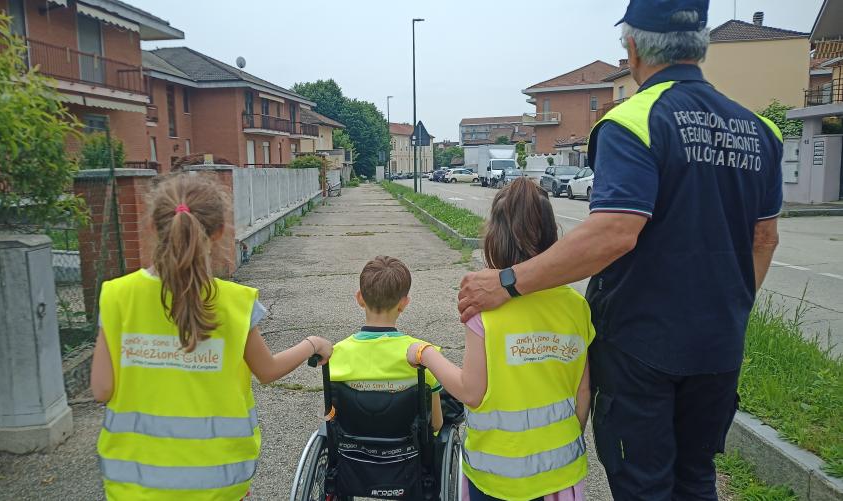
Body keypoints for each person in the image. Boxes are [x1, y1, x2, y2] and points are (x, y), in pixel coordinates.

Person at [457, 1, 783, 499]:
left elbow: (614, 232)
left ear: (633, 48)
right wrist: (728, 310)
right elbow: (764, 239)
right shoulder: (761, 130)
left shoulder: (632, 122)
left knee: (643, 484)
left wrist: (508, 281)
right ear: (700, 46)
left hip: (641, 348)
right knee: (695, 477)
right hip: (719, 346)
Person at [90, 174, 333, 500]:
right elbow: (267, 370)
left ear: (153, 227)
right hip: (219, 481)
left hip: (133, 483)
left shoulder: (117, 296)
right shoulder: (236, 302)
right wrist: (313, 344)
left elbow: (102, 389)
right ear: (219, 232)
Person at [410, 178, 593, 501]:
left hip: (496, 476)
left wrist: (426, 354)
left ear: (494, 236)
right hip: (561, 473)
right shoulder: (576, 305)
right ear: (551, 233)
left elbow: (471, 391)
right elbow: (583, 391)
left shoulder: (485, 309)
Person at [329, 255, 443, 432]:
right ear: (403, 303)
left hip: (351, 451)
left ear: (360, 298)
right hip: (408, 453)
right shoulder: (424, 355)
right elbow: (435, 424)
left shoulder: (336, 354)